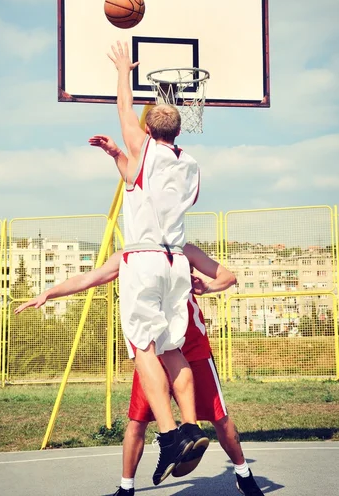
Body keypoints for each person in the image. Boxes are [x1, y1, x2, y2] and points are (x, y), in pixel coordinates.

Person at [14, 246, 263, 496]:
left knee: (219, 417)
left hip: (193, 348)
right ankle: (126, 487)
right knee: (137, 422)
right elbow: (89, 278)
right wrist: (49, 293)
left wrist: (206, 287)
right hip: (152, 353)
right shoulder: (129, 255)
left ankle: (243, 474)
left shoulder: (182, 250)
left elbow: (228, 277)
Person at [100, 40, 206, 485]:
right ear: (180, 130)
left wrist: (124, 70)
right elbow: (147, 186)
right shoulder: (190, 165)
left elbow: (125, 107)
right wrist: (123, 162)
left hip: (142, 260)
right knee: (171, 348)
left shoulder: (144, 148)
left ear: (148, 128)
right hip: (175, 263)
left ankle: (169, 437)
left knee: (143, 347)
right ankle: (189, 425)